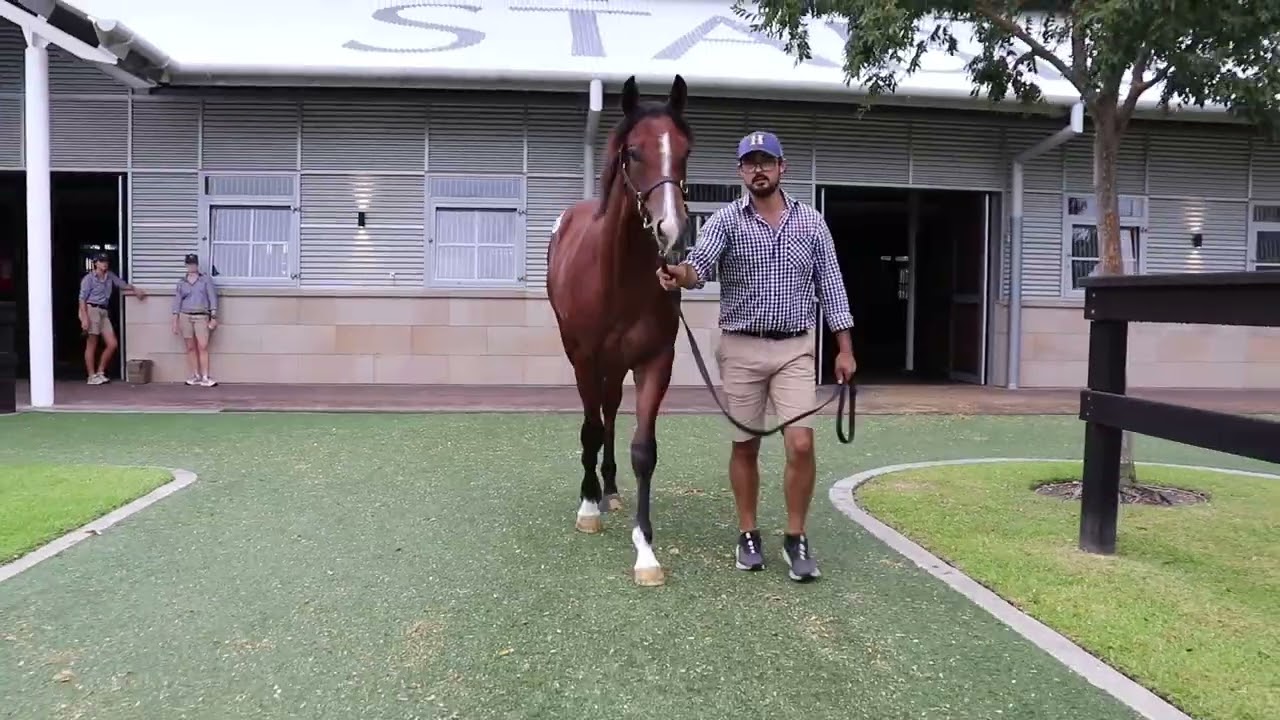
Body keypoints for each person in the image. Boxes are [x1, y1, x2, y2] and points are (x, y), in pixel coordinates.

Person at [657, 131, 856, 583]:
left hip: (795, 349)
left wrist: (844, 349)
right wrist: (678, 275)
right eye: (750, 163)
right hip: (742, 347)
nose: (758, 169)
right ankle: (748, 533)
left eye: (766, 161)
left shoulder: (812, 222)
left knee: (801, 443)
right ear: (740, 171)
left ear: (782, 167)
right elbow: (699, 268)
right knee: (745, 444)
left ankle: (796, 536)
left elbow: (832, 286)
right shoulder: (725, 221)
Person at [78, 253, 147, 385]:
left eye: (106, 261)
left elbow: (122, 284)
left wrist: (135, 289)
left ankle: (100, 372)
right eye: (101, 261)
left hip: (104, 311)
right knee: (92, 343)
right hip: (91, 309)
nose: (105, 264)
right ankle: (91, 376)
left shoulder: (110, 276)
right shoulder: (88, 279)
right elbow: (82, 299)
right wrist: (85, 318)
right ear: (95, 263)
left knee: (112, 344)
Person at [171, 253, 220, 387]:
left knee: (203, 346)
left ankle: (205, 376)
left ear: (197, 265)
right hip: (185, 315)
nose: (191, 266)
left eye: (193, 264)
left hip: (201, 315)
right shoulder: (182, 282)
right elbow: (177, 302)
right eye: (189, 264)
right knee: (190, 347)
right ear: (186, 265)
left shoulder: (205, 280)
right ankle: (195, 375)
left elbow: (212, 298)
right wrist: (175, 321)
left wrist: (213, 317)